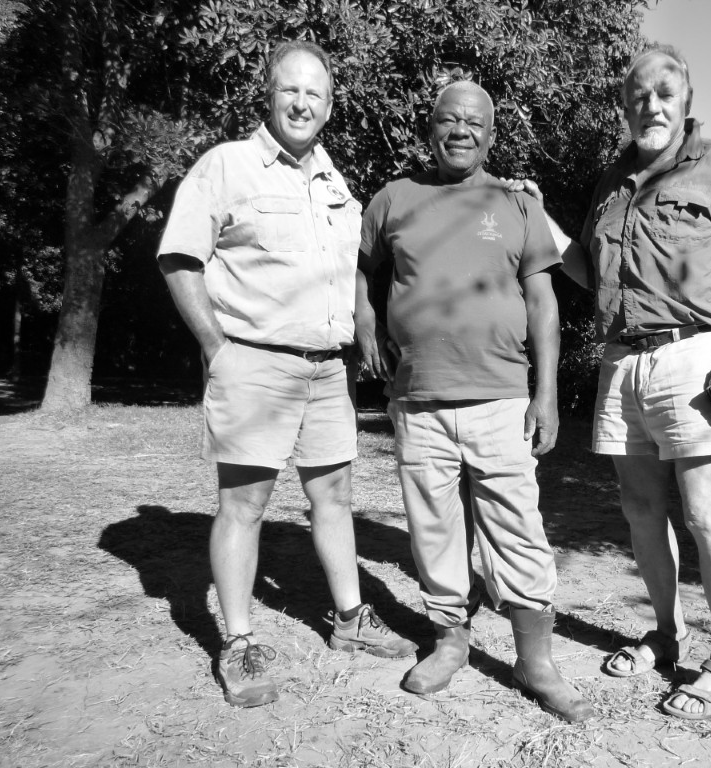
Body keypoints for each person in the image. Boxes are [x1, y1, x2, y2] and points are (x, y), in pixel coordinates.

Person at [516, 44, 711, 719]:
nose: (651, 106)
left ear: (686, 100)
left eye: (664, 93)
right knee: (640, 510)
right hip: (621, 361)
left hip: (692, 354)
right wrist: (542, 217)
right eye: (638, 96)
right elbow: (585, 268)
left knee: (705, 513)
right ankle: (666, 635)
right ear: (624, 106)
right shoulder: (611, 182)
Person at [156, 40, 416, 709]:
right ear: (268, 95)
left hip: (328, 371)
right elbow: (180, 259)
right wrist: (217, 348)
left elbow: (352, 274)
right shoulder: (227, 165)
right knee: (244, 506)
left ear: (329, 106)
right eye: (290, 90)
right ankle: (239, 641)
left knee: (334, 498)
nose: (301, 103)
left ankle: (351, 619)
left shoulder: (335, 184)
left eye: (314, 94)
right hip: (254, 362)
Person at [354, 80, 595, 723]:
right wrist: (365, 322)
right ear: (429, 127)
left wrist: (547, 394)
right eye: (448, 119)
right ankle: (450, 642)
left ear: (490, 135)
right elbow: (360, 267)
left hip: (502, 398)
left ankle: (535, 662)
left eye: (474, 122)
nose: (460, 130)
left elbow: (543, 302)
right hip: (418, 398)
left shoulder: (516, 204)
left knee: (518, 529)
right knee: (434, 528)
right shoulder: (393, 198)